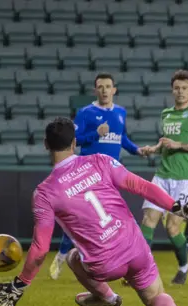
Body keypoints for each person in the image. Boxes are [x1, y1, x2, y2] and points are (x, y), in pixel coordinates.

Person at [0, 118, 188, 306]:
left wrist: (20, 284)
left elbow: (40, 249)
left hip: (104, 264)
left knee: (75, 257)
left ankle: (107, 296)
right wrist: (178, 207)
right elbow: (143, 187)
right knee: (155, 296)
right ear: (74, 143)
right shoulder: (101, 161)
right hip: (135, 248)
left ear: (46, 144)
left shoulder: (44, 193)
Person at [49, 73, 152, 280]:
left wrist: (136, 150)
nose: (104, 90)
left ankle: (116, 259)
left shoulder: (120, 112)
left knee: (114, 220)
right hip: (88, 176)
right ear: (95, 90)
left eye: (108, 86)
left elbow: (121, 137)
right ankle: (60, 257)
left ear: (114, 90)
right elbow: (74, 141)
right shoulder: (86, 113)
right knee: (81, 220)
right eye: (100, 87)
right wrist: (96, 134)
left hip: (110, 176)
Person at [140, 70, 188, 285]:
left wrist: (179, 145)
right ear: (172, 90)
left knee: (172, 226)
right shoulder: (166, 114)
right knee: (148, 220)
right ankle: (141, 270)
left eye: (184, 88)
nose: (180, 92)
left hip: (186, 178)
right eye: (177, 88)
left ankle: (183, 267)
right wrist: (153, 149)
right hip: (163, 176)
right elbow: (166, 144)